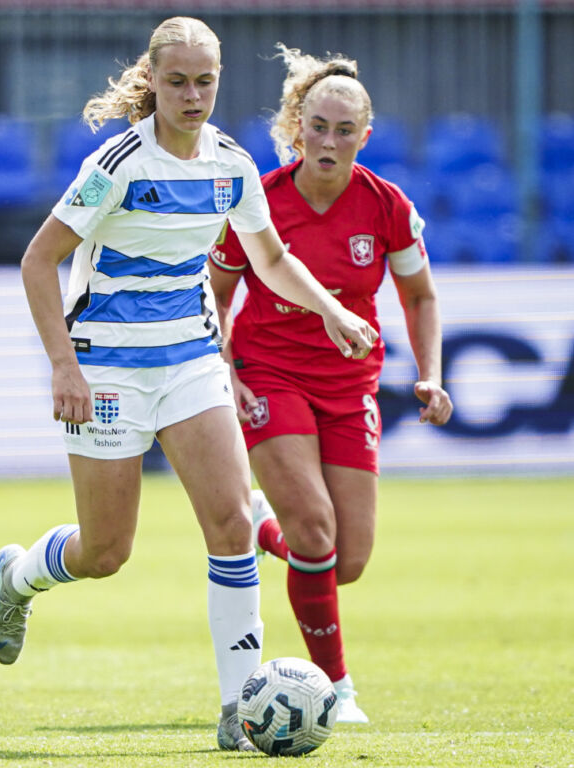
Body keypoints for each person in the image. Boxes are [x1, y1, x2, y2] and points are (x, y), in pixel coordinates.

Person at [0, 17, 378, 752]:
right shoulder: (118, 164)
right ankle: (20, 575)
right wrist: (63, 366)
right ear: (153, 81)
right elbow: (37, 262)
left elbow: (269, 258)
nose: (191, 96)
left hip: (193, 361)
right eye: (176, 82)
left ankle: (238, 708)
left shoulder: (228, 163)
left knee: (231, 525)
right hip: (105, 370)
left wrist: (329, 311)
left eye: (204, 82)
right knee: (105, 552)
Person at [209, 45, 453, 723]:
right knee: (314, 531)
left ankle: (263, 524)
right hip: (269, 373)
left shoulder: (386, 206)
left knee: (345, 562)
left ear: (363, 137)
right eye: (317, 126)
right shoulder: (258, 203)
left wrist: (428, 373)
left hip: (351, 387)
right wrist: (226, 374)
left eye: (344, 131)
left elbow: (420, 295)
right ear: (296, 126)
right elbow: (214, 291)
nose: (328, 141)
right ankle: (335, 687)